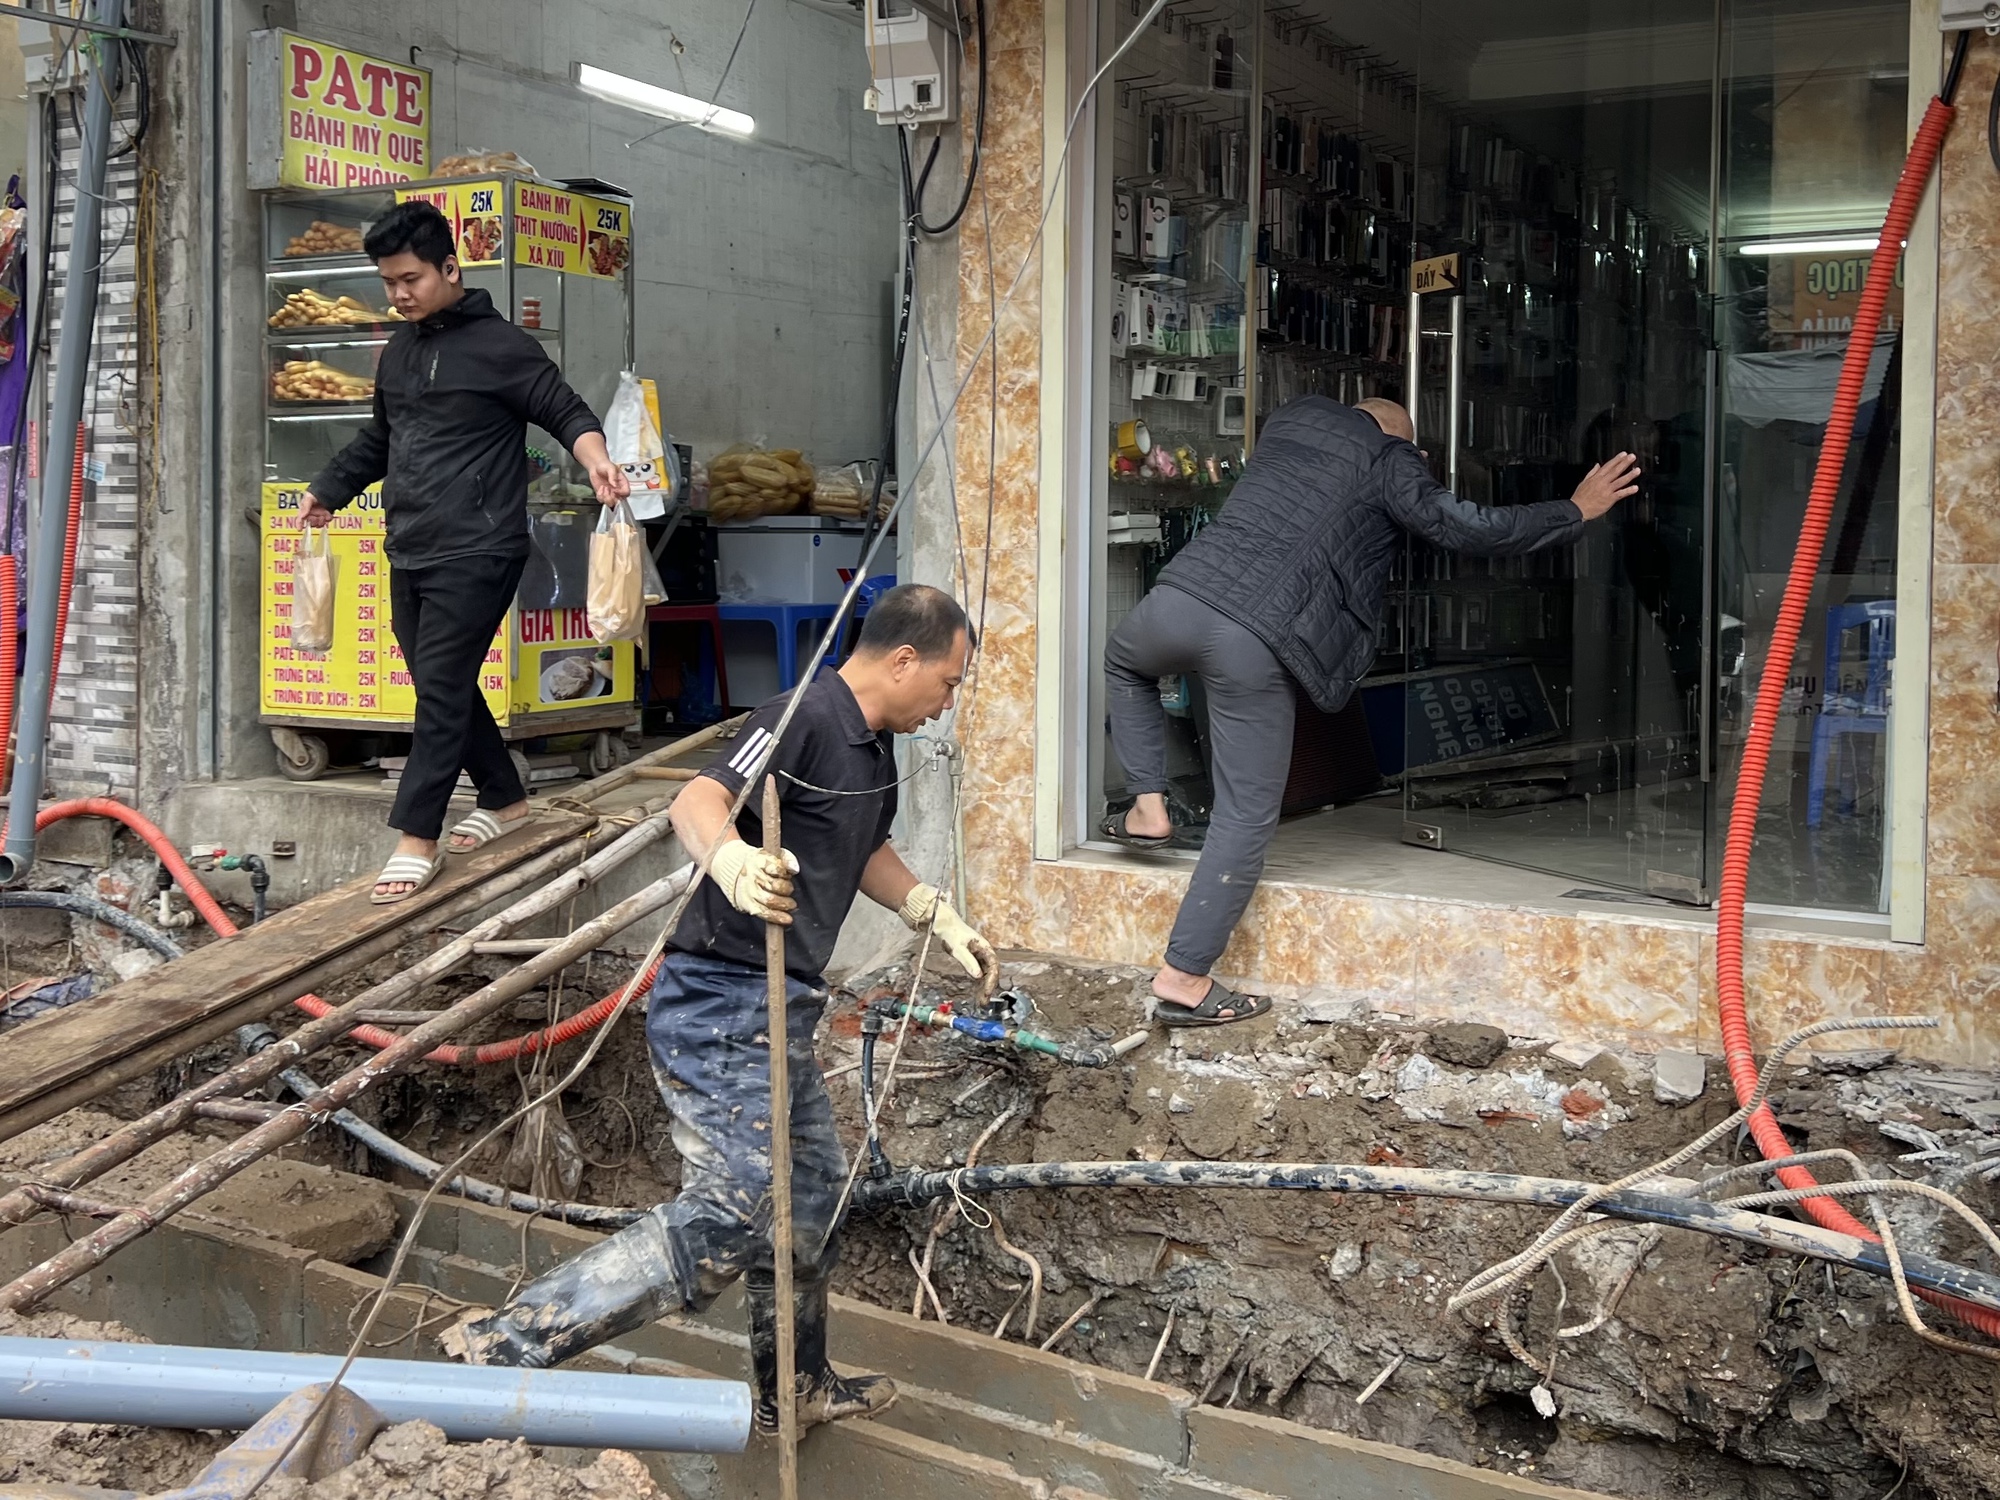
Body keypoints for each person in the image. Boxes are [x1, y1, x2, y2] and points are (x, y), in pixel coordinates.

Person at [443, 584, 997, 1436]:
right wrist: (733, 859)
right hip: (721, 999)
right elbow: (696, 801)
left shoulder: (874, 746)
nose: (950, 700)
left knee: (810, 1196)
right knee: (741, 1205)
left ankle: (796, 1388)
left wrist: (930, 909)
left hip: (783, 1007)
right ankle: (509, 1345)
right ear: (903, 659)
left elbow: (863, 849)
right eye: (951, 681)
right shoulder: (803, 713)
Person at [1101, 395, 1639, 1026]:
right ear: (1400, 441)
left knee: (1124, 665)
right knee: (1245, 815)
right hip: (1255, 636)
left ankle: (1147, 807)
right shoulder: (1390, 461)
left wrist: (1398, 459)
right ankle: (1185, 977)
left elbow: (1336, 462)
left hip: (1179, 599)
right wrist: (1575, 508)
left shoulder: (1289, 421)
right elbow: (1468, 527)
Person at [298, 200, 630, 904]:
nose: (399, 294)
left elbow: (565, 408)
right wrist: (328, 487)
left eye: (411, 278)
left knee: (442, 687)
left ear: (452, 267)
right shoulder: (400, 352)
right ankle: (506, 797)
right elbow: (380, 442)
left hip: (481, 548)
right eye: (389, 282)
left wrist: (596, 458)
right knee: (437, 683)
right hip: (412, 543)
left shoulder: (501, 346)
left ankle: (417, 837)